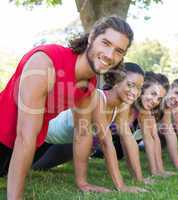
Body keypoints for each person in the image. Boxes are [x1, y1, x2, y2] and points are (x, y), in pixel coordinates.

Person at [0, 16, 133, 199]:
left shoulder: (90, 84)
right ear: (92, 37)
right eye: (106, 43)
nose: (110, 55)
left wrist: (83, 182)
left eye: (118, 51)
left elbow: (83, 133)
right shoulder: (45, 63)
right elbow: (24, 136)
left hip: (31, 144)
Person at [31, 62, 147, 192]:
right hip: (37, 131)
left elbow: (128, 139)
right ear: (116, 82)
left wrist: (139, 178)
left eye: (139, 87)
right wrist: (121, 186)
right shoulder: (97, 98)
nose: (135, 92)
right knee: (7, 170)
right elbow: (106, 143)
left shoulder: (122, 106)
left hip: (58, 142)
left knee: (36, 167)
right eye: (130, 85)